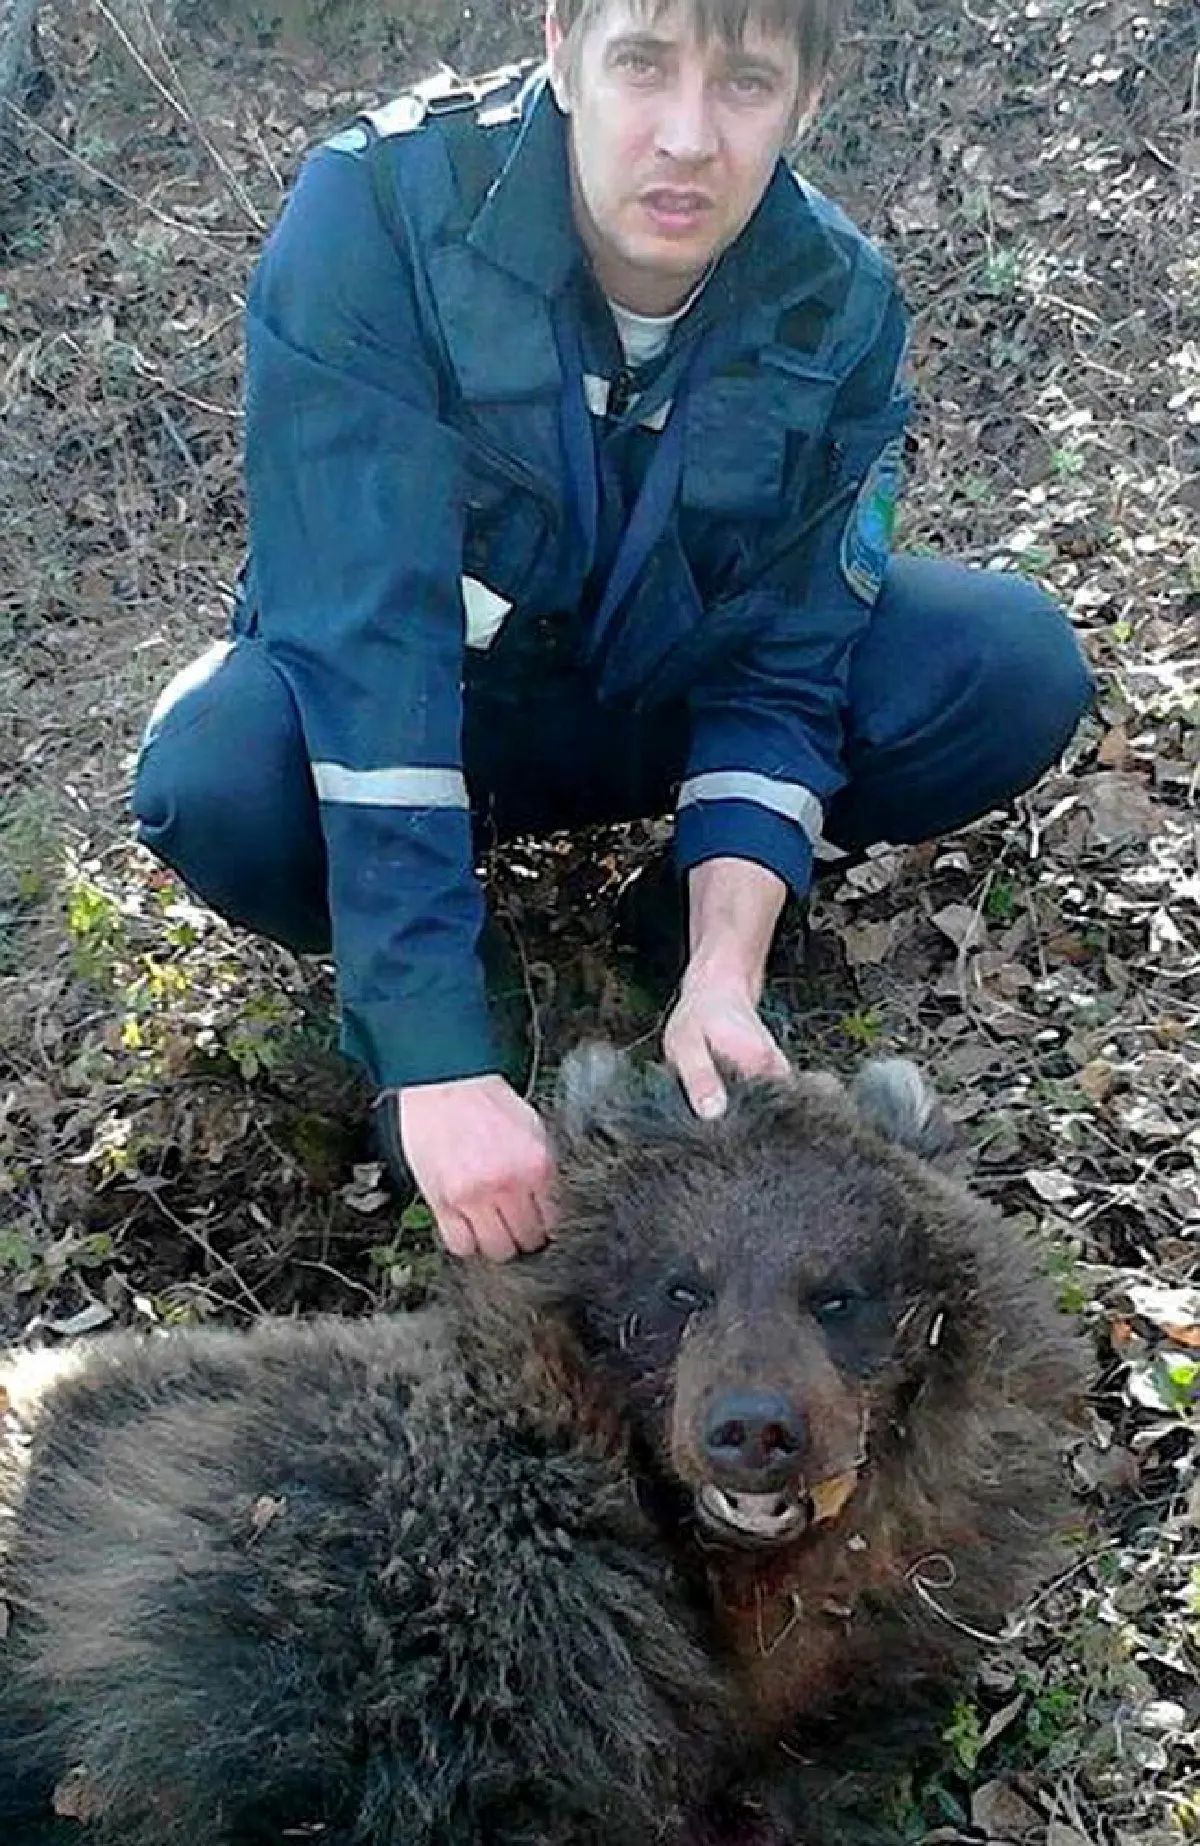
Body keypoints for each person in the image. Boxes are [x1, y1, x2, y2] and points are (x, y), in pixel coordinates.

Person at [132, 0, 1094, 1264]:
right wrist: (437, 1062)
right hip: (442, 706)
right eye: (644, 64)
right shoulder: (377, 213)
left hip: (655, 694)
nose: (687, 137)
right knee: (216, 779)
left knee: (1009, 664)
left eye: (746, 83)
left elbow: (788, 660)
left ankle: (678, 936)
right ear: (560, 51)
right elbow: (362, 648)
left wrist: (723, 969)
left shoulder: (834, 299)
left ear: (808, 102)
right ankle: (427, 978)